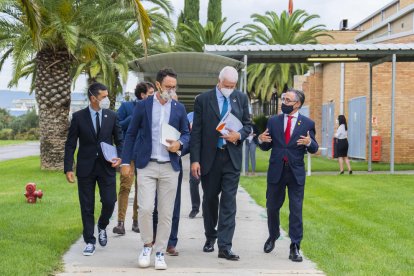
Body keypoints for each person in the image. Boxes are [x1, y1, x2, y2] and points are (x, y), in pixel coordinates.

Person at [120, 68, 190, 270]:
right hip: (147, 165)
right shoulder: (143, 106)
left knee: (166, 212)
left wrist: (179, 144)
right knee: (145, 208)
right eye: (168, 86)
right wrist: (126, 162)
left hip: (170, 167)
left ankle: (160, 252)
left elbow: (187, 134)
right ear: (158, 85)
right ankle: (146, 245)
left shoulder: (179, 108)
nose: (171, 90)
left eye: (174, 87)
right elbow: (131, 134)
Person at [190, 66, 251, 261]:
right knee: (209, 200)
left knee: (229, 202)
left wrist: (238, 135)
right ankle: (210, 236)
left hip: (231, 157)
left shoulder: (240, 98)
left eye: (233, 86)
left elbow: (248, 125)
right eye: (226, 85)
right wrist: (195, 160)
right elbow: (196, 132)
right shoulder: (203, 100)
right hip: (210, 158)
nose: (229, 89)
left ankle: (225, 246)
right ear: (219, 81)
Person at [258, 89, 318, 262]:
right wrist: (261, 139)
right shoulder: (274, 121)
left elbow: (314, 147)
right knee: (272, 207)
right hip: (276, 170)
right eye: (283, 99)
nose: (283, 102)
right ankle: (273, 234)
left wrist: (309, 142)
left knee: (296, 210)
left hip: (295, 173)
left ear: (297, 104)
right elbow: (265, 146)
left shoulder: (307, 123)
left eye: (288, 100)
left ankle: (295, 246)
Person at [64, 82, 123, 256]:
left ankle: (102, 225)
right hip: (85, 168)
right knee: (87, 206)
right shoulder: (78, 117)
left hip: (107, 167)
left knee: (110, 201)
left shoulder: (112, 116)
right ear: (93, 98)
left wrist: (120, 157)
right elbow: (70, 144)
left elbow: (120, 140)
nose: (107, 100)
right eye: (104, 97)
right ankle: (89, 240)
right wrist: (68, 167)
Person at [113, 82, 155, 235]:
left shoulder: (153, 109)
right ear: (143, 95)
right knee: (125, 186)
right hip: (128, 154)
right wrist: (133, 117)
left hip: (144, 154)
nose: (153, 95)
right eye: (150, 93)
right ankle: (120, 222)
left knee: (141, 189)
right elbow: (116, 126)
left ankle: (136, 222)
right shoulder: (126, 107)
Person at [187, 111, 201, 218]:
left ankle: (208, 208)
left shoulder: (210, 114)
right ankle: (195, 208)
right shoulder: (190, 116)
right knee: (193, 181)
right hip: (195, 152)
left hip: (208, 152)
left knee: (209, 184)